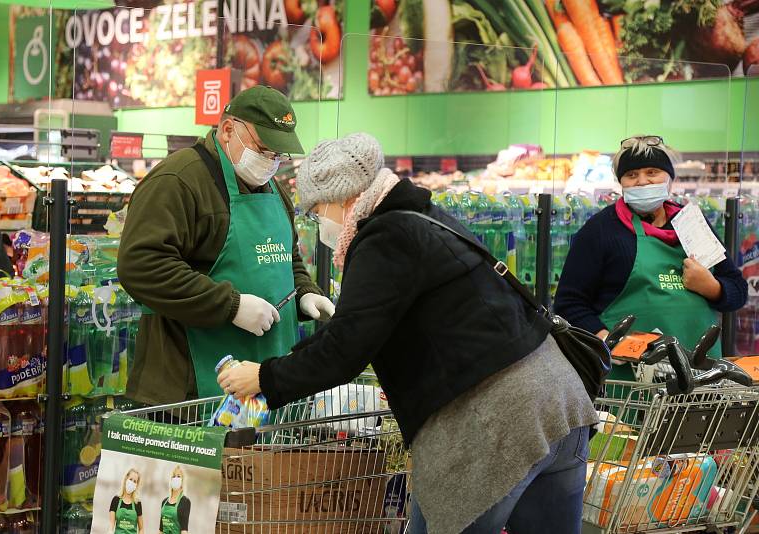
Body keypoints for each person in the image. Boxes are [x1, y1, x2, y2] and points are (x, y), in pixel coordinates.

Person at [217, 133, 599, 534]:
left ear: (343, 198)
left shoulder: (386, 237)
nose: (319, 224)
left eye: (316, 212)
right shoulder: (424, 217)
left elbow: (344, 350)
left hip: (494, 427)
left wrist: (263, 377)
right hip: (561, 402)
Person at [117, 86, 334, 405]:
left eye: (278, 155)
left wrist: (305, 291)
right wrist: (230, 306)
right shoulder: (178, 181)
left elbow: (287, 258)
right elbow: (141, 265)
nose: (270, 162)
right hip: (189, 394)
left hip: (262, 388)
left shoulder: (273, 189)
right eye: (263, 149)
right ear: (229, 129)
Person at [555, 135, 747, 380]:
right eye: (632, 175)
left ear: (669, 178)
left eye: (652, 172)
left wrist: (713, 287)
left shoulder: (691, 225)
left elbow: (738, 291)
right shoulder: (600, 231)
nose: (642, 181)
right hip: (629, 384)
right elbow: (568, 304)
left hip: (698, 379)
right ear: (621, 182)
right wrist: (606, 341)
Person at [109, 469, 144, 534]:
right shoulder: (116, 500)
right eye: (130, 479)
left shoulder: (137, 503)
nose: (132, 483)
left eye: (135, 481)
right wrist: (110, 532)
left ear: (136, 485)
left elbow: (141, 529)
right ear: (126, 479)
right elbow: (111, 525)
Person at [159, 466, 191, 534]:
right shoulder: (164, 502)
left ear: (183, 480)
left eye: (178, 476)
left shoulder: (185, 501)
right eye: (173, 476)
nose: (175, 478)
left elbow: (184, 530)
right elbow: (161, 530)